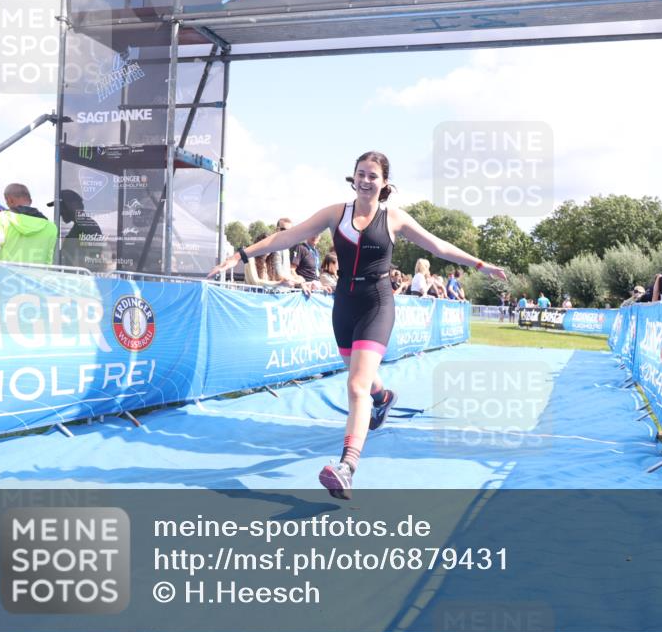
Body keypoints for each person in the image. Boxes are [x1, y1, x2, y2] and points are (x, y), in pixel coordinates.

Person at [207, 151, 506, 500]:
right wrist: (240, 255)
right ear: (353, 178)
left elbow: (438, 246)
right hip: (344, 303)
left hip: (377, 302)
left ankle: (347, 466)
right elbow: (285, 238)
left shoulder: (394, 218)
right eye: (360, 174)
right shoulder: (336, 213)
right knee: (361, 380)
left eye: (373, 175)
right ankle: (385, 397)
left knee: (355, 386)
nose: (365, 180)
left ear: (384, 183)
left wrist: (480, 263)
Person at [0, 184, 57, 264]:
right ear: (30, 201)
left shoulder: (2, 218)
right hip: (35, 276)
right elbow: (48, 262)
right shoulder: (51, 227)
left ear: (10, 200)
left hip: (4, 275)